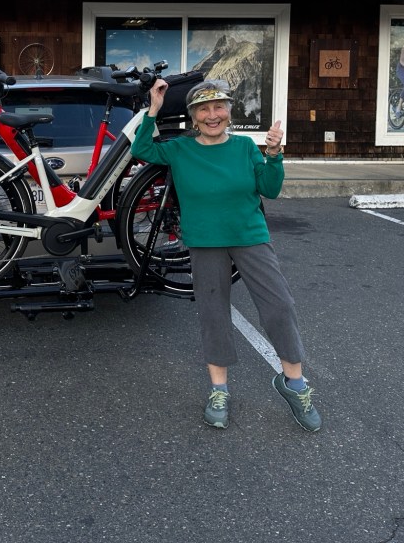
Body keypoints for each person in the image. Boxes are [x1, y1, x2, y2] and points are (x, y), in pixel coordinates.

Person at [131, 78, 322, 433]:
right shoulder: (179, 149)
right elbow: (141, 148)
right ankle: (219, 391)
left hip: (250, 236)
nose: (212, 115)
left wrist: (274, 154)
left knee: (279, 305)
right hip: (205, 241)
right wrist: (154, 109)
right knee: (214, 313)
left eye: (219, 107)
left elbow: (270, 188)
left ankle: (295, 385)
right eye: (203, 109)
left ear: (229, 113)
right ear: (193, 117)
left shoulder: (245, 147)